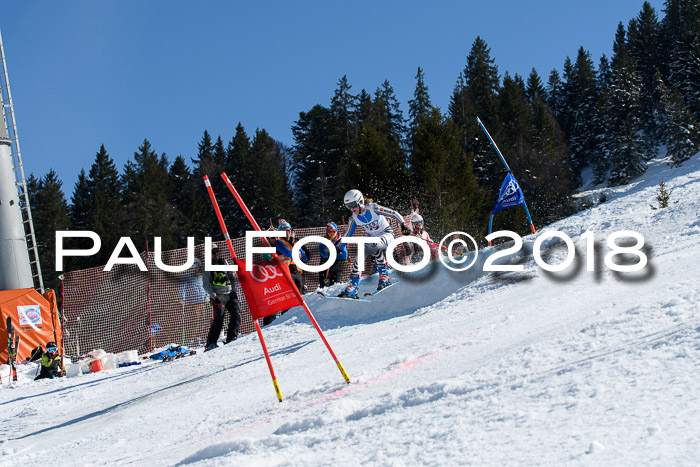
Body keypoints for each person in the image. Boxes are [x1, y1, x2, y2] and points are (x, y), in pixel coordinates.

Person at [339, 189, 408, 298]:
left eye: (352, 205)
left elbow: (393, 213)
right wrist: (337, 248)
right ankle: (353, 286)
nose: (351, 209)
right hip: (372, 239)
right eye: (348, 206)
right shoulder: (354, 218)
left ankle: (384, 276)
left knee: (375, 244)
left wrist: (403, 225)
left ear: (360, 201)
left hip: (386, 234)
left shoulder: (373, 208)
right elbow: (347, 235)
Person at [262, 221, 310, 326]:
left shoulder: (294, 243)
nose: (287, 233)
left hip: (297, 271)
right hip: (285, 272)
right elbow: (288, 253)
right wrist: (297, 253)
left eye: (288, 231)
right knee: (288, 299)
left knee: (300, 296)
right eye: (284, 231)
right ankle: (283, 321)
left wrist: (296, 251)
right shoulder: (280, 242)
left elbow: (305, 257)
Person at [202, 243, 242, 351]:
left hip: (229, 293)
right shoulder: (207, 266)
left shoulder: (224, 262)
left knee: (236, 313)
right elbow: (206, 283)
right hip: (218, 295)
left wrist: (233, 291)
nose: (216, 254)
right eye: (213, 252)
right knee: (219, 319)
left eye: (217, 251)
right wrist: (213, 295)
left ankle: (231, 338)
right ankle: (211, 343)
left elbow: (231, 276)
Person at [318, 222, 348, 288]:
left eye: (334, 231)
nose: (332, 233)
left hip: (336, 268)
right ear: (327, 232)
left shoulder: (340, 242)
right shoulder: (322, 242)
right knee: (324, 287)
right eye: (330, 231)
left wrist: (333, 254)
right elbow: (324, 255)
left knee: (336, 286)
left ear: (336, 232)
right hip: (325, 268)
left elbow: (344, 255)